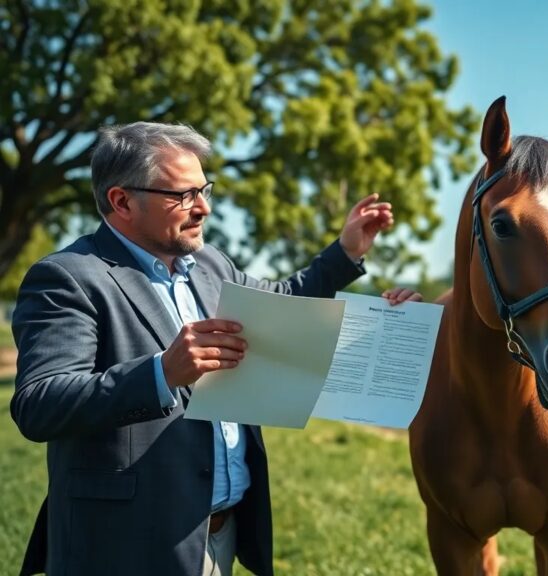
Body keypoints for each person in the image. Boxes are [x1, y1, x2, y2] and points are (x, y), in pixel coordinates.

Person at [10, 122, 421, 576]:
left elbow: (282, 301)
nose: (203, 207)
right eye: (182, 195)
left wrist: (345, 254)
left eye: (204, 188)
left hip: (218, 534)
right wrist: (161, 372)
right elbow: (40, 403)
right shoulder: (69, 277)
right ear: (122, 201)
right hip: (125, 543)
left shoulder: (209, 263)